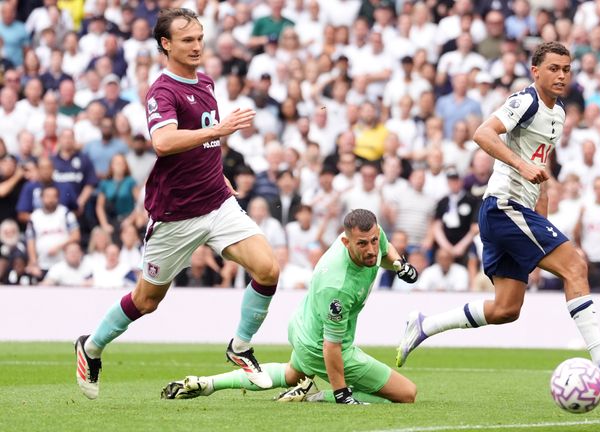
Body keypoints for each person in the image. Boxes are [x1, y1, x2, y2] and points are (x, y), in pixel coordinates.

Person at [395, 42, 600, 378]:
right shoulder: (525, 100)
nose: (561, 75)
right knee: (575, 265)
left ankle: (425, 325)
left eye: (566, 69)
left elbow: (541, 170)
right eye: (554, 68)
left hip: (515, 213)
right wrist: (521, 165)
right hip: (503, 206)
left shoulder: (558, 113)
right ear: (535, 71)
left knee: (506, 308)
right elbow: (483, 133)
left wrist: (542, 220)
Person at [75, 9, 281, 400]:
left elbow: (204, 142)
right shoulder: (162, 91)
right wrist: (220, 129)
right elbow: (164, 142)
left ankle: (240, 347)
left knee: (268, 268)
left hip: (217, 203)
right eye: (188, 40)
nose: (197, 46)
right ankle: (92, 346)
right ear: (166, 44)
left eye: (200, 38)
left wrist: (218, 171)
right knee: (146, 300)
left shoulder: (205, 81)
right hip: (176, 216)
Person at [160, 209, 419, 404]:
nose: (371, 249)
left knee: (290, 374)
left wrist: (399, 265)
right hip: (320, 346)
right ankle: (315, 396)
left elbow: (384, 249)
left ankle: (207, 383)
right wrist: (340, 394)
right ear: (346, 242)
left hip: (303, 326)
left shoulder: (370, 233)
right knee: (406, 393)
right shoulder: (337, 286)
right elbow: (331, 347)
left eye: (373, 240)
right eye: (363, 244)